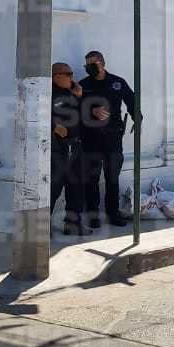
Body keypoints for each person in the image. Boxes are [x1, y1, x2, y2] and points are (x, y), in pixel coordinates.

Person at [79, 50, 136, 228]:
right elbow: (72, 108)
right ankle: (93, 215)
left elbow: (132, 100)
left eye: (92, 64)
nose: (89, 68)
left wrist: (138, 118)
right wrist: (91, 111)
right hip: (90, 138)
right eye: (86, 65)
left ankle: (113, 213)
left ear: (102, 63)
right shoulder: (83, 85)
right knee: (92, 178)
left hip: (113, 137)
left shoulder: (117, 82)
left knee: (112, 177)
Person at [51, 62, 89, 236]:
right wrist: (53, 126)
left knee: (77, 186)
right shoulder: (48, 93)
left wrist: (80, 96)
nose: (72, 78)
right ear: (56, 76)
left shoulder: (72, 92)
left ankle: (73, 224)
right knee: (54, 186)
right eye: (69, 74)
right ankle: (41, 227)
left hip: (76, 145)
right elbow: (38, 113)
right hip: (58, 147)